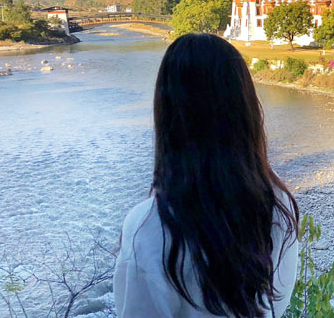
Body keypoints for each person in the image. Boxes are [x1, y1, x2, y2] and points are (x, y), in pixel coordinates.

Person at [114, 33, 299, 317]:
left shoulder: (148, 227)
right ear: (246, 109)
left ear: (168, 113)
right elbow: (278, 301)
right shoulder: (277, 206)